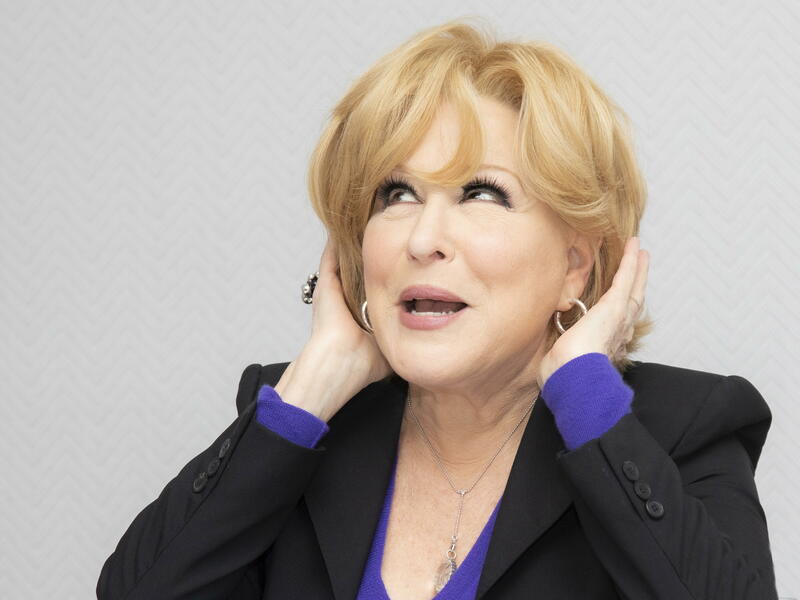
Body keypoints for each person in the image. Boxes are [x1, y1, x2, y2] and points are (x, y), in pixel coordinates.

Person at [96, 18, 778, 600]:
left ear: (575, 262)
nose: (423, 239)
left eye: (481, 193)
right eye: (397, 195)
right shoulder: (298, 426)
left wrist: (585, 397)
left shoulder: (679, 430)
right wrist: (313, 382)